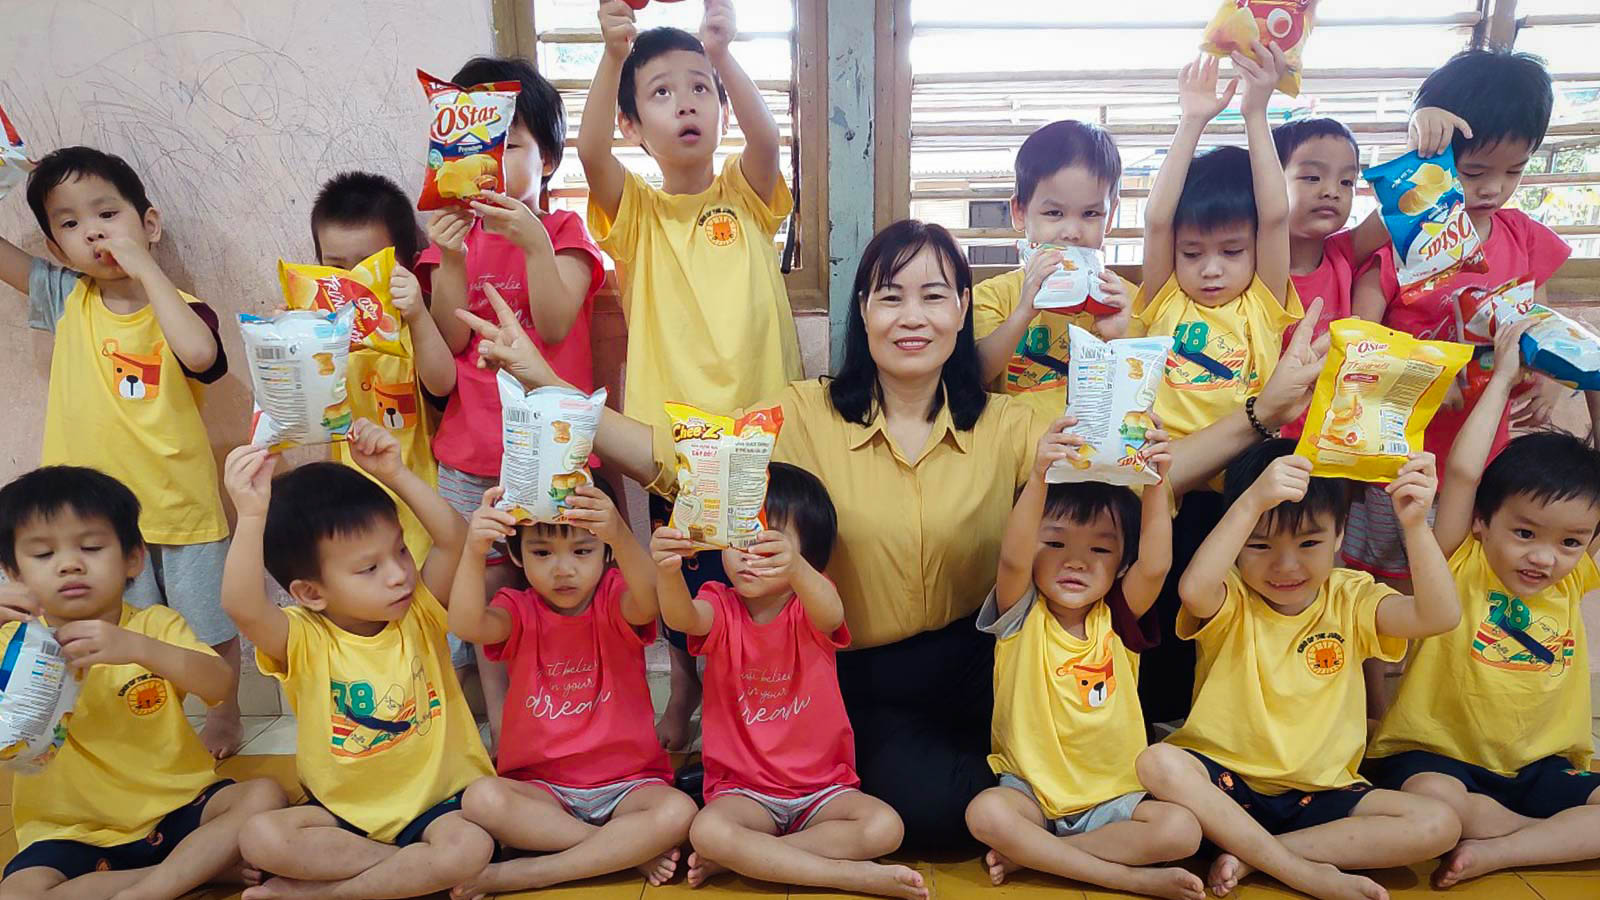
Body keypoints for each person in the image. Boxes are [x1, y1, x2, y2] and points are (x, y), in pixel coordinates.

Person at [456, 219, 1336, 854]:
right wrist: (540, 378)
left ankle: (1062, 826)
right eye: (890, 294)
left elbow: (1155, 469)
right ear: (864, 314)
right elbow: (671, 458)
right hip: (860, 674)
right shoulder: (801, 415)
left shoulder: (1014, 420)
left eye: (934, 293)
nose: (911, 313)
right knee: (936, 817)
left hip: (990, 660)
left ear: (964, 310)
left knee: (1091, 770)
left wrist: (1266, 411)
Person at [581, 0, 805, 752]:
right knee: (686, 576)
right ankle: (684, 688)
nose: (687, 102)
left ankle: (757, 705)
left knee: (761, 578)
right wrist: (613, 54)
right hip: (676, 448)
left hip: (765, 433)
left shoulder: (746, 196)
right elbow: (587, 156)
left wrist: (726, 54)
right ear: (633, 126)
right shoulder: (636, 214)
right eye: (662, 92)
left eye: (700, 88)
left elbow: (770, 138)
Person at [0, 146, 244, 758]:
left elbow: (201, 357)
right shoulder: (65, 298)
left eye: (108, 214)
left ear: (150, 224)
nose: (95, 232)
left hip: (180, 506)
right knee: (110, 627)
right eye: (71, 225)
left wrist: (146, 269)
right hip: (93, 523)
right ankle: (137, 722)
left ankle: (226, 712)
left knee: (206, 629)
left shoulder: (180, 307)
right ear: (57, 251)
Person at [1137, 442, 1463, 900]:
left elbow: (1439, 617)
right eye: (1260, 544)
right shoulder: (1230, 595)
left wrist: (1414, 525)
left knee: (1439, 822)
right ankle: (1303, 872)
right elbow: (1193, 589)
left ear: (1339, 535)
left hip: (1322, 795)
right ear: (1238, 540)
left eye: (1309, 543)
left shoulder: (1352, 596)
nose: (1286, 565)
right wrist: (1252, 500)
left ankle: (1257, 855)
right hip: (1226, 787)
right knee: (1157, 761)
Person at [1366, 317, 1600, 888]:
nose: (1544, 558)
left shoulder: (1575, 578)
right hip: (1438, 759)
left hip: (1539, 767)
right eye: (1525, 534)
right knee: (1434, 803)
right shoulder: (1457, 559)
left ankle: (1502, 848)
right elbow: (1466, 472)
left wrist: (1593, 378)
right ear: (1480, 524)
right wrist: (1501, 379)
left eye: (1569, 542)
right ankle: (1536, 837)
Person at [219, 422, 494, 900]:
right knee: (259, 836)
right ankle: (410, 875)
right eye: (369, 568)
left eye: (401, 551)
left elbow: (455, 539)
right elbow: (242, 605)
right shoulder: (302, 637)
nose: (398, 575)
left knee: (468, 846)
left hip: (440, 808)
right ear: (310, 593)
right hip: (343, 818)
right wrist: (250, 515)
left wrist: (397, 473)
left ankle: (316, 895)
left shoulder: (422, 609)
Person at [418, 55, 606, 751]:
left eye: (514, 144)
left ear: (549, 160)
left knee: (560, 595)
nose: (493, 160)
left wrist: (530, 240)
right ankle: (505, 731)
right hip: (471, 456)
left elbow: (555, 326)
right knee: (487, 595)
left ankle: (574, 719)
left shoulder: (564, 233)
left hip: (555, 452)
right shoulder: (450, 241)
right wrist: (454, 261)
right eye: (478, 145)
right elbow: (442, 343)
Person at [0, 466, 285, 900]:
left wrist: (139, 648)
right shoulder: (9, 641)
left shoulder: (153, 625)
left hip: (181, 808)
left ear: (133, 558)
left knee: (265, 794)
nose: (70, 564)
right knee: (18, 893)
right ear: (13, 573)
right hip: (71, 832)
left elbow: (219, 685)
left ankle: (151, 887)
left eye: (91, 547)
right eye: (42, 555)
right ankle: (197, 870)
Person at [1347, 49, 1569, 586]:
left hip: (1483, 450)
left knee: (1458, 574)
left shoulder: (1524, 240)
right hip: (1398, 455)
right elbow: (1360, 340)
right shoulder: (1404, 244)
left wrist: (1547, 374)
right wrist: (1420, 378)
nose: (1493, 188)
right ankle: (1378, 673)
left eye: (1514, 170)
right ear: (1441, 164)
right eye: (1473, 172)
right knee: (1382, 580)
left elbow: (1534, 320)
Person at [651, 463, 924, 900]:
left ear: (806, 558)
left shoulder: (811, 604)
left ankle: (753, 857)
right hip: (743, 794)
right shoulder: (718, 604)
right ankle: (847, 875)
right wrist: (666, 570)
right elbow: (683, 619)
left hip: (823, 789)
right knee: (708, 830)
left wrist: (797, 569)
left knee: (885, 827)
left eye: (768, 545)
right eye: (740, 539)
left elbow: (832, 613)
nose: (748, 555)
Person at [965, 430, 1207, 900]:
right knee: (986, 813)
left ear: (1121, 563)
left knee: (1181, 831)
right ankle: (1122, 877)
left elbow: (1156, 566)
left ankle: (1039, 854)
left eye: (1099, 550)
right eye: (1054, 544)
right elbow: (1013, 556)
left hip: (1114, 795)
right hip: (1030, 793)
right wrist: (1038, 475)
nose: (1075, 562)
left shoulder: (1117, 616)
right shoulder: (1020, 615)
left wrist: (1156, 482)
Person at [445, 483, 697, 897]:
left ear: (606, 553)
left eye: (583, 551)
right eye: (542, 553)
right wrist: (474, 551)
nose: (563, 569)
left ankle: (535, 872)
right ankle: (620, 851)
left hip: (628, 784)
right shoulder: (516, 608)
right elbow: (466, 625)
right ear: (515, 555)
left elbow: (651, 602)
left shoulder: (616, 598)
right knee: (480, 799)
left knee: (678, 811)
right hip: (542, 789)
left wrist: (619, 532)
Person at [1134, 47, 1301, 446]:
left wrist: (1255, 113)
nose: (1211, 269)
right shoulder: (1167, 297)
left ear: (1255, 249)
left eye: (1231, 252)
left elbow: (1276, 215)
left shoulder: (1262, 303)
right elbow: (1157, 220)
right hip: (1166, 467)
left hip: (1240, 466)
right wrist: (1191, 120)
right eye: (1192, 254)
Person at [309, 171, 450, 562]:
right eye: (337, 268)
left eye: (369, 266)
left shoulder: (410, 326)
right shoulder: (324, 333)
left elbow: (441, 384)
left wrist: (419, 315)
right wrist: (294, 343)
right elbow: (301, 414)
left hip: (419, 503)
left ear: (405, 263)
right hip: (351, 508)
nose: (353, 282)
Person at [973, 120, 1135, 417]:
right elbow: (974, 376)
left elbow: (1144, 397)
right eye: (1054, 213)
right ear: (1019, 213)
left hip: (1095, 455)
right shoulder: (993, 297)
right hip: (1018, 457)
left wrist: (1119, 337)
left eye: (1091, 213)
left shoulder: (1125, 300)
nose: (1072, 231)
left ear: (1110, 217)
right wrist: (1024, 311)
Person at [1269, 117, 1391, 439]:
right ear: (1268, 181)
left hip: (1333, 434)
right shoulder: (1254, 267)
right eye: (1312, 177)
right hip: (1270, 438)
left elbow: (1399, 207)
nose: (1331, 192)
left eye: (1347, 182)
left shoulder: (1344, 252)